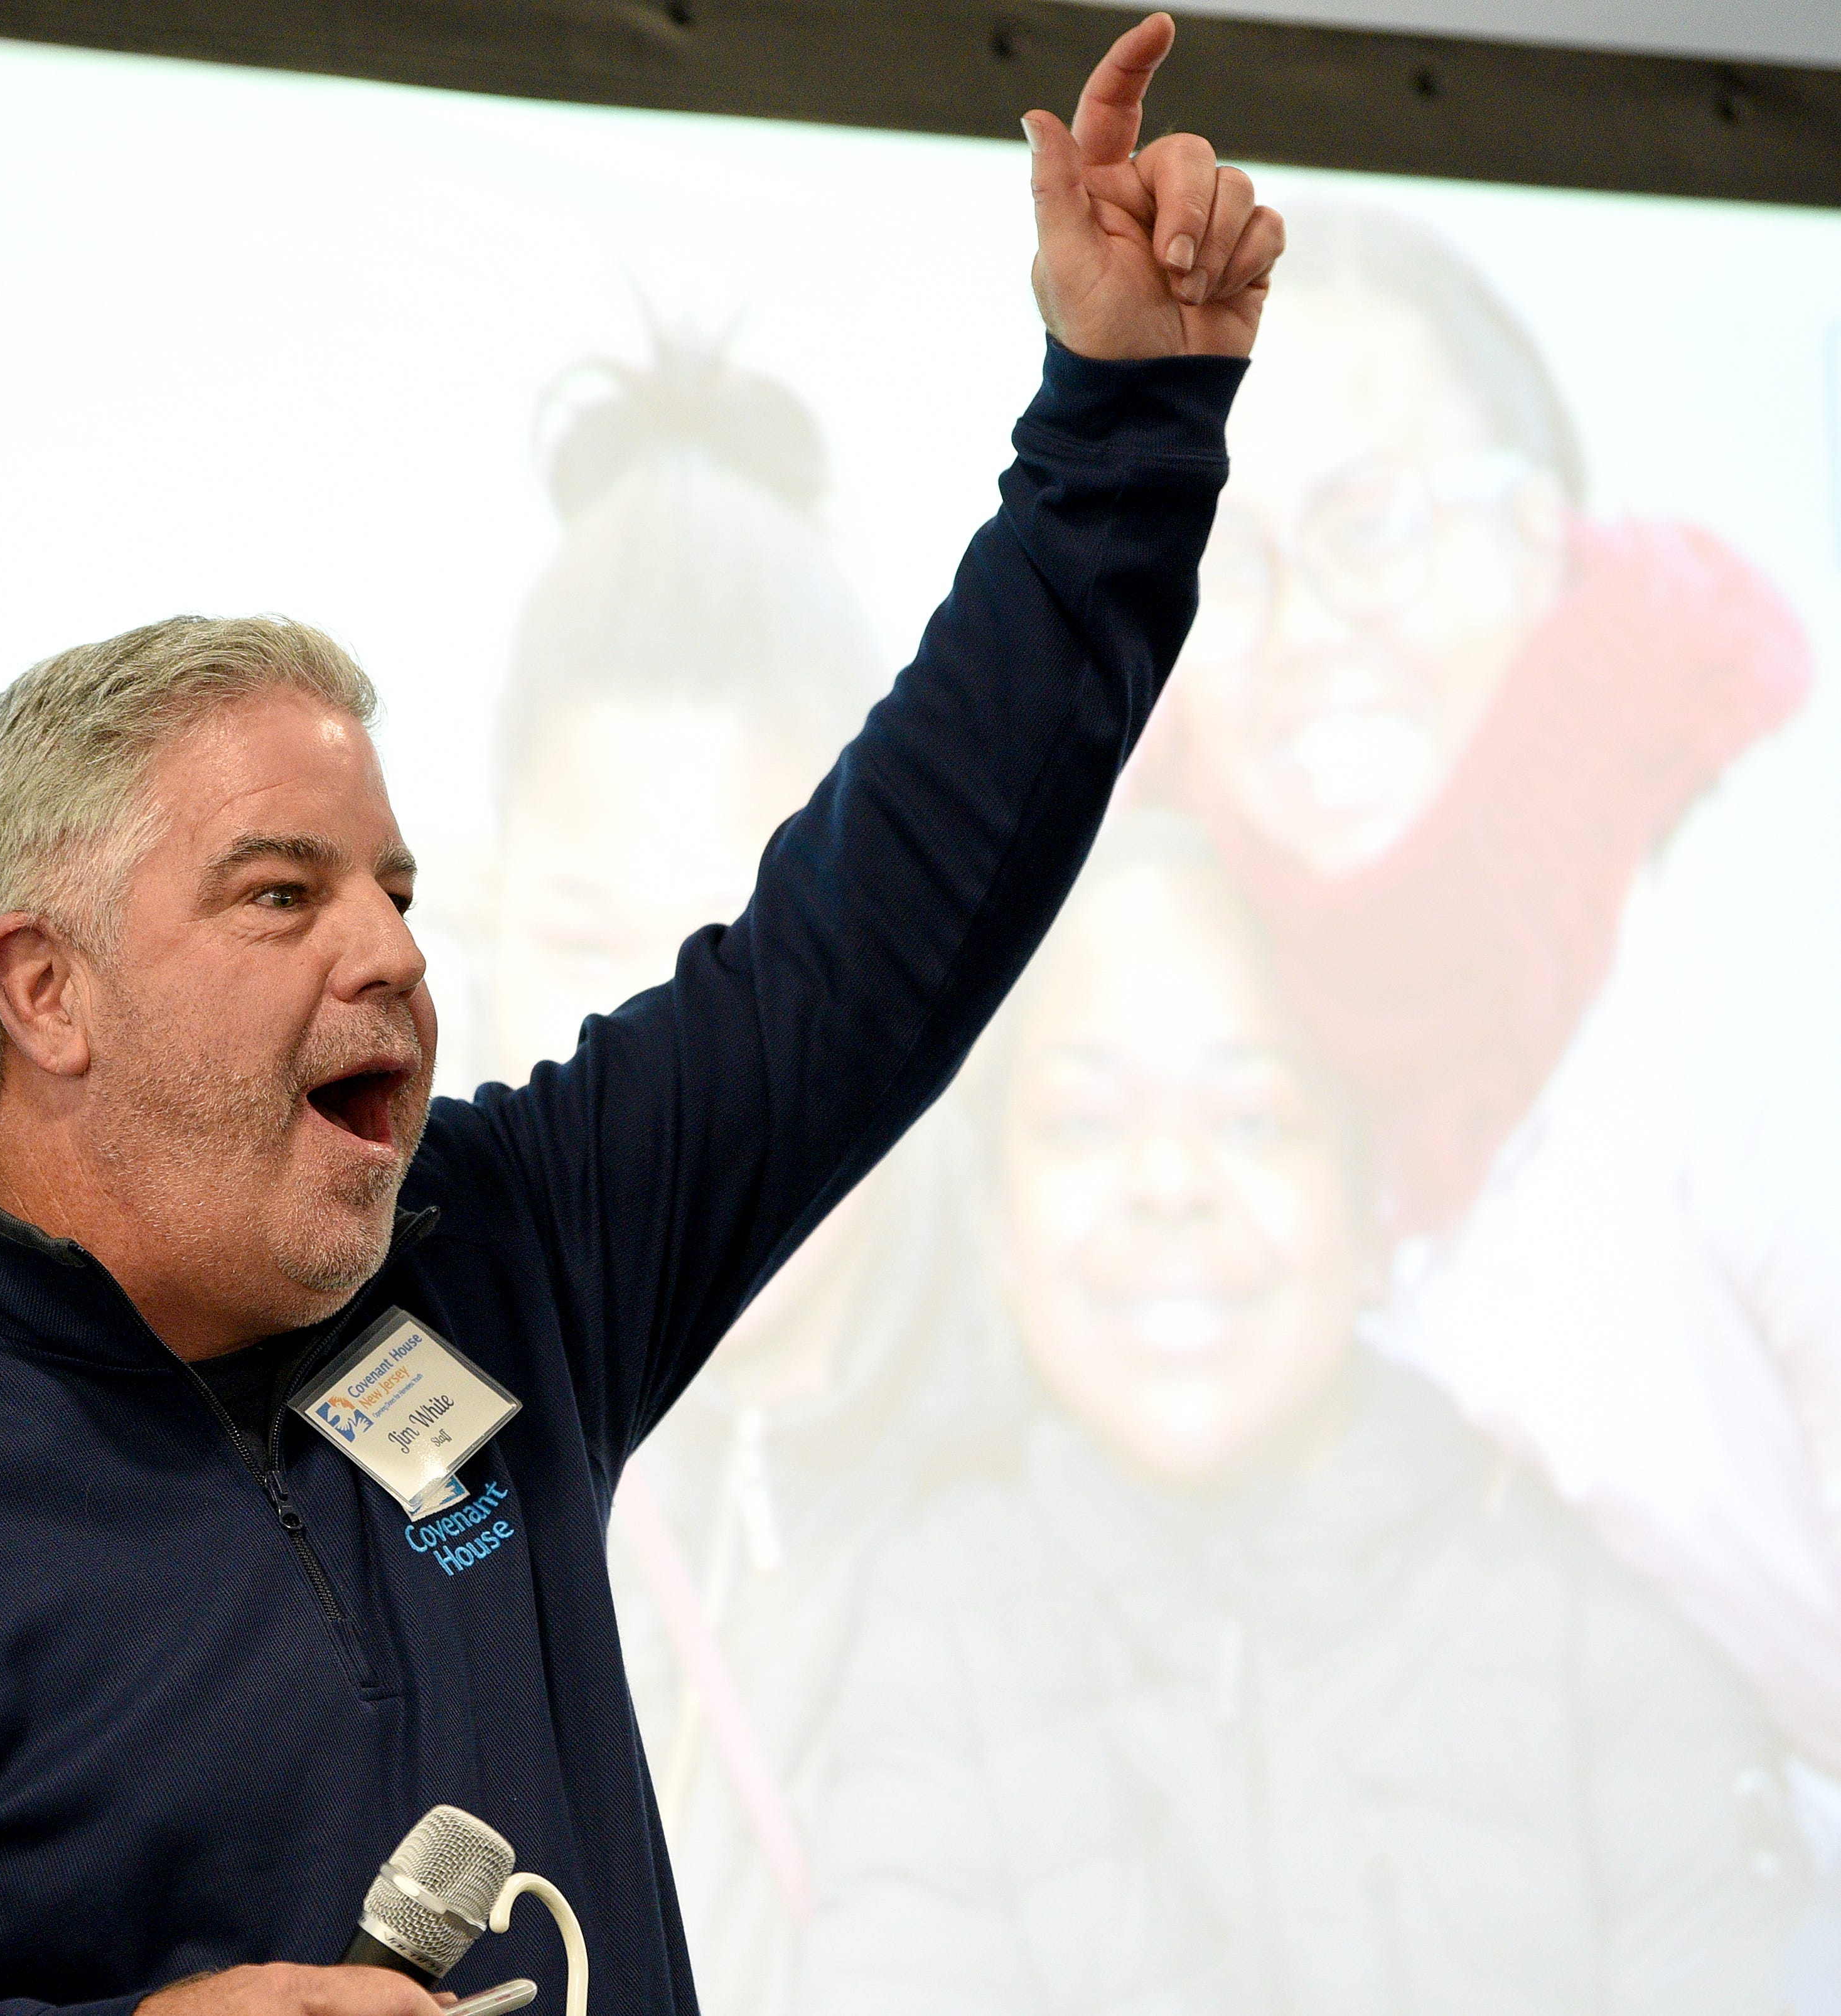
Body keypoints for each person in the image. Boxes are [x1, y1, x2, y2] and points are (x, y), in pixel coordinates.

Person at [0, 18, 1284, 2016]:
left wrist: (1126, 419)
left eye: (402, 892)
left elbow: (875, 935)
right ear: (42, 989)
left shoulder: (502, 1267)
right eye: (284, 892)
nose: (396, 958)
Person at [799, 812, 1808, 2015]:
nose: (1168, 1184)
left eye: (1252, 1119)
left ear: (1376, 1205)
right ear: (995, 1228)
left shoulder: (1598, 1591)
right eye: (1081, 1122)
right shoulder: (939, 1619)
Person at [1134, 207, 1841, 1772]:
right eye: (1236, 565)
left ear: (1540, 542)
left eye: (1371, 523)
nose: (1306, 629)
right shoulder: (1212, 976)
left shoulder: (1773, 948)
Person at [478, 323, 992, 2016]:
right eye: (579, 929)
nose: (655, 1026)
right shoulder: (371, 1465)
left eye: (733, 948)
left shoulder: (1071, 1423)